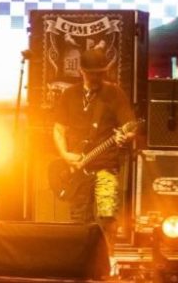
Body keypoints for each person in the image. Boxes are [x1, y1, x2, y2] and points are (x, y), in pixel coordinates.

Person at [52, 44, 136, 244]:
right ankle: (81, 259)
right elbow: (58, 129)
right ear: (82, 71)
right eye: (92, 73)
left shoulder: (114, 94)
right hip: (78, 168)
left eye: (100, 73)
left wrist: (125, 137)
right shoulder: (69, 94)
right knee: (79, 219)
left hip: (105, 165)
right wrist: (65, 154)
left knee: (107, 217)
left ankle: (107, 257)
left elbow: (130, 126)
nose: (96, 77)